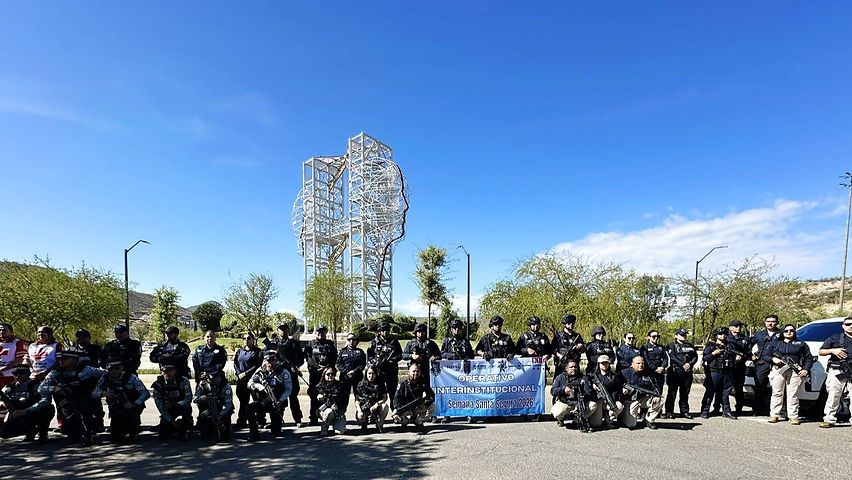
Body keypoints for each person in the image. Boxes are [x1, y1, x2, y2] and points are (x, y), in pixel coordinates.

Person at [41, 347, 104, 446]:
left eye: (65, 358)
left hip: (84, 402)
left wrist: (97, 389)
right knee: (73, 436)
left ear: (74, 359)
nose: (61, 361)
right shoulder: (55, 372)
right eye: (60, 358)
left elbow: (107, 375)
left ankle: (90, 430)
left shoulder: (86, 370)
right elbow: (41, 388)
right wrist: (53, 389)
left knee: (86, 414)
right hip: (67, 405)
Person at [92, 360, 149, 443]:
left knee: (132, 434)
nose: (113, 371)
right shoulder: (105, 378)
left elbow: (145, 393)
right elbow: (93, 393)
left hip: (131, 408)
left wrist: (135, 403)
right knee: (116, 438)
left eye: (116, 368)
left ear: (122, 367)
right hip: (116, 409)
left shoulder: (131, 377)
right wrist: (103, 393)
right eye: (110, 369)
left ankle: (134, 428)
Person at [766, 323, 812, 425]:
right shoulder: (775, 343)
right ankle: (774, 414)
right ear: (782, 332)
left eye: (791, 330)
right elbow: (765, 355)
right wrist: (773, 359)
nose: (789, 332)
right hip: (778, 370)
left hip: (794, 371)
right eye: (786, 331)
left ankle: (793, 416)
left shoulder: (801, 344)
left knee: (793, 394)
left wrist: (805, 369)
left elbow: (809, 358)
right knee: (777, 393)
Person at [264, 323, 307, 427]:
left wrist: (295, 366)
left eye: (285, 329)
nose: (283, 331)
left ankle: (298, 419)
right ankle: (277, 420)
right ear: (277, 331)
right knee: (278, 398)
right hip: (278, 374)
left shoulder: (294, 344)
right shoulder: (274, 343)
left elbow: (301, 358)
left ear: (288, 330)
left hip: (291, 374)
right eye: (280, 329)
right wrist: (271, 351)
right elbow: (264, 355)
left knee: (293, 398)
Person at [0, 365, 54, 443]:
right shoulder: (10, 387)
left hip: (34, 413)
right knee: (4, 433)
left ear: (29, 373)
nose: (18, 376)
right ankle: (31, 431)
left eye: (21, 373)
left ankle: (43, 432)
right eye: (15, 374)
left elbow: (45, 401)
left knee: (48, 408)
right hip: (17, 415)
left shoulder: (37, 385)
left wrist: (26, 411)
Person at [247, 352, 292, 441]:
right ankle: (254, 434)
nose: (270, 363)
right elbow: (249, 383)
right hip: (263, 401)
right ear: (264, 361)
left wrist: (281, 400)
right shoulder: (260, 371)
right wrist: (258, 386)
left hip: (277, 402)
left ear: (276, 361)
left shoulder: (283, 372)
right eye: (268, 361)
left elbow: (288, 390)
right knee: (249, 409)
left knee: (276, 433)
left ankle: (276, 427)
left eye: (272, 361)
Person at [819, 316, 852, 428]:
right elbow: (821, 351)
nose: (850, 326)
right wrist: (833, 350)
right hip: (838, 370)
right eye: (848, 324)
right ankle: (829, 419)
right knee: (834, 395)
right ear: (843, 326)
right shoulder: (835, 338)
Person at [700, 326, 739, 420]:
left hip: (727, 372)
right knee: (710, 392)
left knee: (726, 393)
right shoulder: (711, 346)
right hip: (714, 372)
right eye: (721, 334)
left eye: (725, 334)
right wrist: (714, 353)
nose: (723, 336)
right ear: (716, 335)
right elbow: (705, 358)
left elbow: (735, 355)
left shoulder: (730, 345)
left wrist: (736, 358)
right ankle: (705, 411)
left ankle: (726, 411)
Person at [618, 355, 663, 429]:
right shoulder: (624, 373)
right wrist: (622, 390)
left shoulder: (648, 374)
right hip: (630, 401)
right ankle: (622, 415)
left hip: (643, 398)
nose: (641, 365)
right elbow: (615, 385)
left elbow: (656, 386)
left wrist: (657, 395)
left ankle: (648, 420)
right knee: (631, 425)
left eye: (642, 363)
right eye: (638, 363)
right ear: (632, 364)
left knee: (660, 401)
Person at [151, 364, 193, 441]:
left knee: (186, 425)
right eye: (165, 371)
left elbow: (188, 399)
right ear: (161, 373)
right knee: (163, 436)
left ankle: (183, 427)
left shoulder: (183, 381)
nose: (168, 373)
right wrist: (171, 421)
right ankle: (174, 428)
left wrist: (175, 405)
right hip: (168, 411)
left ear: (175, 371)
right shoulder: (158, 385)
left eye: (170, 370)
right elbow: (160, 407)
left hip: (182, 408)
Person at [305, 324, 337, 426]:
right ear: (315, 333)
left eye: (323, 332)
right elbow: (309, 358)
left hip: (327, 374)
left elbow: (334, 358)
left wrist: (327, 368)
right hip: (315, 374)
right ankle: (313, 418)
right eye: (318, 332)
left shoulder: (330, 344)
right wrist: (317, 367)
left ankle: (330, 416)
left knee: (329, 394)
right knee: (314, 395)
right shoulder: (310, 344)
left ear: (325, 333)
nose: (320, 334)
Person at [551, 359, 595, 432]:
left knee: (593, 405)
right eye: (571, 367)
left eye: (575, 367)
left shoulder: (583, 378)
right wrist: (563, 389)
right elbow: (553, 391)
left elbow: (589, 393)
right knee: (557, 412)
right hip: (565, 403)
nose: (574, 369)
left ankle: (576, 421)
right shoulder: (560, 377)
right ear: (566, 368)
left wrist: (580, 404)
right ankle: (560, 419)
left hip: (579, 402)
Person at [750, 314, 782, 416]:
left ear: (777, 322)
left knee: (778, 388)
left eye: (773, 321)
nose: (770, 323)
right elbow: (749, 345)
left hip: (777, 364)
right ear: (765, 322)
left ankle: (780, 411)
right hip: (762, 363)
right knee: (759, 387)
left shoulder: (781, 333)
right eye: (768, 321)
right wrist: (751, 355)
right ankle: (757, 409)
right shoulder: (759, 334)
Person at [664, 328, 697, 419]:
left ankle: (684, 411)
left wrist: (689, 364)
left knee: (685, 393)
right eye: (682, 335)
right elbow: (672, 357)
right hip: (675, 372)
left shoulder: (690, 346)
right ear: (676, 336)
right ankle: (669, 411)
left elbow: (695, 357)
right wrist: (683, 365)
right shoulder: (672, 345)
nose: (684, 336)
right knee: (672, 393)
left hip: (687, 372)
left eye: (685, 334)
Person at [392, 363, 436, 432]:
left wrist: (425, 404)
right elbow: (396, 399)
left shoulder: (423, 381)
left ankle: (418, 421)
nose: (416, 373)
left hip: (417, 407)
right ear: (408, 372)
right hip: (405, 407)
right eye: (413, 371)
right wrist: (400, 409)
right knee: (395, 414)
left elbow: (431, 395)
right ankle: (405, 423)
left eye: (417, 371)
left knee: (433, 407)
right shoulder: (402, 382)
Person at [368, 322, 403, 406]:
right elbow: (370, 355)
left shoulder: (394, 342)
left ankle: (395, 412)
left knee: (393, 394)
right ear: (379, 331)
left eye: (387, 330)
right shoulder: (374, 342)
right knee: (378, 393)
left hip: (391, 371)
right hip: (379, 372)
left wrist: (390, 362)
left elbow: (399, 355)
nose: (385, 332)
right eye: (383, 330)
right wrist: (375, 362)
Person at [193, 369, 233, 441]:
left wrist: (220, 415)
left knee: (224, 435)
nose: (216, 380)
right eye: (212, 378)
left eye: (217, 377)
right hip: (208, 410)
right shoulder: (203, 385)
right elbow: (195, 399)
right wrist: (202, 398)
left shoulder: (225, 386)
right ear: (207, 379)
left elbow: (228, 405)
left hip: (221, 410)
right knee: (206, 436)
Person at [233, 333, 262, 429]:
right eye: (244, 338)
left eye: (249, 338)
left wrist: (246, 373)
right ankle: (241, 421)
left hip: (254, 380)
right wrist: (239, 374)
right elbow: (236, 363)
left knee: (257, 401)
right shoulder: (239, 351)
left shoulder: (258, 352)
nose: (246, 340)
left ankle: (260, 420)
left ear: (253, 339)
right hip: (242, 381)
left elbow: (257, 365)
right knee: (243, 402)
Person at [587, 355, 622, 429]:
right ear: (598, 364)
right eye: (602, 363)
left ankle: (609, 419)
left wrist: (611, 400)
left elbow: (616, 390)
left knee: (618, 406)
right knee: (596, 424)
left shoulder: (613, 376)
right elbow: (586, 384)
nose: (605, 365)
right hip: (598, 400)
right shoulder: (592, 375)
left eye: (606, 363)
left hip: (609, 399)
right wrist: (592, 384)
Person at [725, 320, 751, 416]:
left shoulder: (745, 339)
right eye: (735, 326)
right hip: (728, 367)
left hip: (740, 367)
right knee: (725, 389)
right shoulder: (726, 338)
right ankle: (723, 408)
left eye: (739, 326)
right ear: (730, 327)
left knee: (739, 389)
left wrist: (742, 356)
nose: (738, 328)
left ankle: (739, 408)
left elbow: (749, 352)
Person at [337, 332, 367, 412]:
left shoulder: (360, 352)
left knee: (359, 396)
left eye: (353, 339)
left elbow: (362, 364)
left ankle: (361, 415)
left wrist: (354, 371)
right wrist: (347, 371)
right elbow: (339, 364)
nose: (351, 341)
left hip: (357, 377)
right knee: (343, 397)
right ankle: (341, 415)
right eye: (349, 339)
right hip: (345, 378)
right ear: (346, 340)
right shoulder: (342, 352)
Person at [355, 365, 389, 432]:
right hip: (365, 408)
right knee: (360, 417)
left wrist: (377, 404)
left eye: (373, 373)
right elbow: (357, 400)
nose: (371, 375)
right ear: (366, 374)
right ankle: (364, 424)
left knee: (385, 407)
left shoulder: (380, 384)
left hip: (376, 407)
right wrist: (359, 411)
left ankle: (379, 424)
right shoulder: (361, 384)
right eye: (369, 373)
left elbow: (385, 398)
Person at [316, 366, 346, 435]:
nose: (330, 376)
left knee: (340, 432)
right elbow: (313, 399)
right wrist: (318, 396)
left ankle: (337, 423)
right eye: (328, 374)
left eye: (332, 374)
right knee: (329, 412)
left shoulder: (340, 386)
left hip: (337, 412)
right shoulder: (319, 387)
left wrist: (338, 407)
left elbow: (344, 400)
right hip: (323, 411)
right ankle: (324, 427)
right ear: (324, 375)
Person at [639, 330, 668, 399]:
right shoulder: (644, 348)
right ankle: (644, 410)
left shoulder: (661, 347)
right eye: (653, 336)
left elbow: (665, 358)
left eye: (658, 336)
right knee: (646, 394)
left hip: (660, 373)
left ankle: (657, 409)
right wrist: (655, 368)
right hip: (649, 373)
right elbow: (646, 360)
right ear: (648, 337)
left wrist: (663, 367)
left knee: (658, 394)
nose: (656, 338)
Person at [0, 323, 27, 389]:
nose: (1, 332)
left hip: (10, 377)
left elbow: (19, 361)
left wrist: (1, 370)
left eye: (4, 330)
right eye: (0, 330)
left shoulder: (18, 342)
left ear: (11, 332)